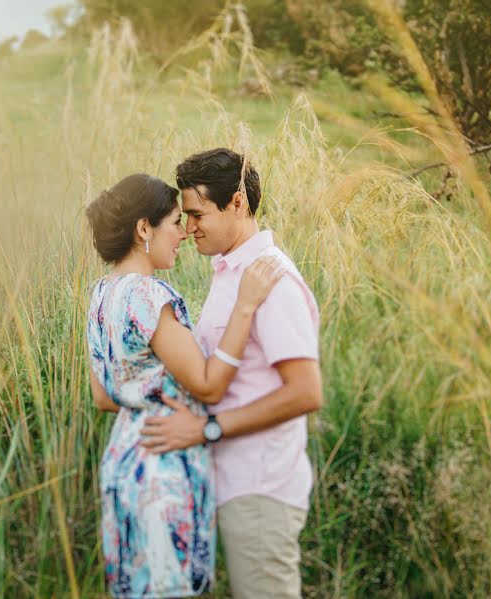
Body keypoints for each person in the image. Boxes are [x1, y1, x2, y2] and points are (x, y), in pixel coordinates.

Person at [85, 173, 283, 599]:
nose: (183, 234)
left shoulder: (101, 295)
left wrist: (149, 399)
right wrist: (246, 305)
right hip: (162, 469)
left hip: (122, 462)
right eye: (175, 222)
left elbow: (103, 396)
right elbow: (209, 386)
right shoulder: (148, 296)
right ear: (144, 229)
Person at [141, 148, 324, 599]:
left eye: (198, 214)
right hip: (231, 484)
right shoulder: (231, 273)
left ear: (237, 203)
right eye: (185, 217)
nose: (188, 228)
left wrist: (208, 429)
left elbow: (305, 392)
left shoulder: (271, 280)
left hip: (262, 488)